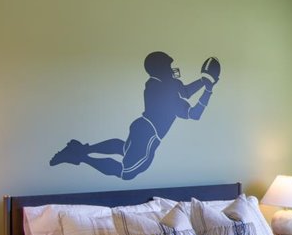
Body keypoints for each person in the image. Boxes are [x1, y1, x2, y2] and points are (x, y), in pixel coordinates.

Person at [50, 51, 220, 179]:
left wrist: (203, 81)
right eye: (168, 67)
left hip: (141, 125)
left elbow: (184, 91)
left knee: (124, 148)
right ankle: (79, 156)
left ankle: (82, 148)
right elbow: (194, 113)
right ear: (161, 70)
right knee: (126, 172)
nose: (172, 70)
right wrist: (208, 90)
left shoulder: (155, 84)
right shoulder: (167, 90)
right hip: (151, 134)